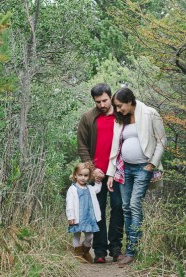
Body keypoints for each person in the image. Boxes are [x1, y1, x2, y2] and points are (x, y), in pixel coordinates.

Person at [107, 87, 167, 268]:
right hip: (125, 168)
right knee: (126, 207)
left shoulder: (150, 113)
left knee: (134, 204)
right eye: (116, 107)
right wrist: (111, 173)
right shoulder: (120, 119)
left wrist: (152, 163)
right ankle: (130, 248)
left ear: (130, 101)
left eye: (120, 106)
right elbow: (115, 147)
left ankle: (132, 250)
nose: (118, 110)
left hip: (143, 168)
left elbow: (162, 140)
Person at [77, 83, 124, 263]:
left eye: (104, 100)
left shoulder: (121, 116)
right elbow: (82, 146)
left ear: (111, 98)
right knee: (98, 211)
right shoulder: (88, 118)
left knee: (119, 208)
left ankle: (116, 248)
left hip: (117, 172)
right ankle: (100, 251)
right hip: (96, 174)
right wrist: (92, 169)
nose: (102, 105)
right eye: (98, 102)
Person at [66, 162, 102, 263]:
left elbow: (97, 189)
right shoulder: (72, 189)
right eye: (80, 175)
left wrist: (98, 182)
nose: (83, 178)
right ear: (75, 175)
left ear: (89, 176)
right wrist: (70, 217)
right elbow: (69, 204)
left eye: (86, 175)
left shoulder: (89, 188)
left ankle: (85, 252)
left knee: (90, 236)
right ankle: (77, 255)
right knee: (76, 234)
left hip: (89, 217)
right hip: (78, 217)